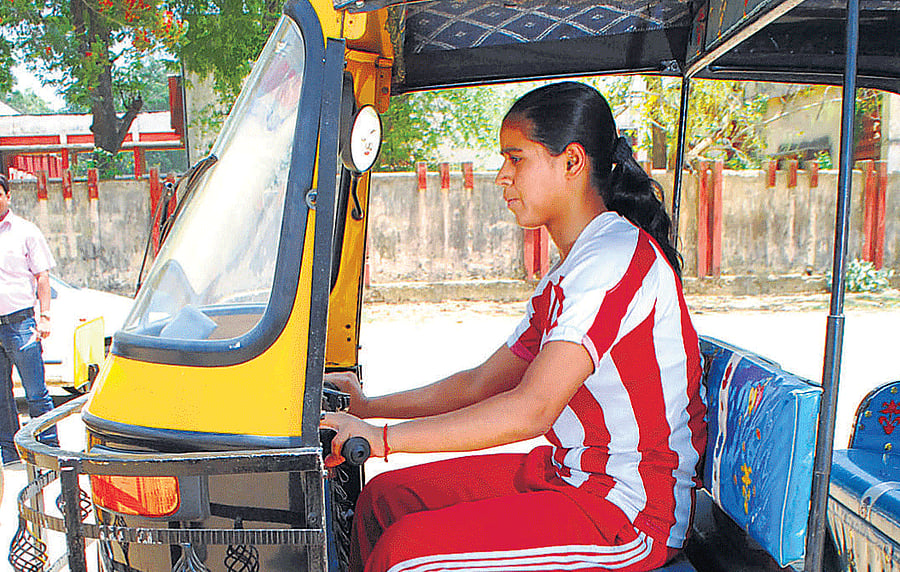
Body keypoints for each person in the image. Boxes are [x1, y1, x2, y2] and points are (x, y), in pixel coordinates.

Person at [322, 82, 707, 572]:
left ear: (572, 162)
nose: (502, 177)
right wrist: (368, 408)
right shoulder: (571, 271)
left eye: (516, 158)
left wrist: (384, 439)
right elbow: (482, 383)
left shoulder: (613, 261)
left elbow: (531, 411)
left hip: (629, 509)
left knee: (407, 554)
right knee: (384, 500)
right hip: (569, 475)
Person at [0, 174, 59, 466]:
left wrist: (45, 317)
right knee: (1, 397)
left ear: (7, 196)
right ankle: (10, 455)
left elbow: (42, 276)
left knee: (36, 393)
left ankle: (49, 452)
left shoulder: (25, 231)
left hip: (20, 324)